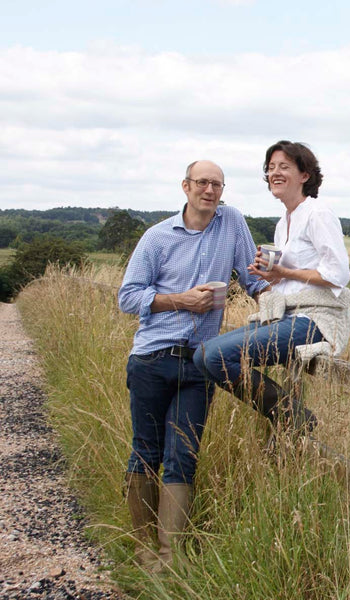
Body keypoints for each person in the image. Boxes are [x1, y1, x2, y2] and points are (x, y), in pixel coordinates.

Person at [118, 160, 269, 571]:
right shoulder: (157, 237)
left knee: (183, 456)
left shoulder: (232, 222)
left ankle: (171, 559)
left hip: (200, 363)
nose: (210, 190)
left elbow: (253, 279)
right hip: (152, 358)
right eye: (202, 182)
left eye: (217, 184)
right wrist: (180, 300)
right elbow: (128, 296)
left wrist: (278, 302)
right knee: (146, 452)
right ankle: (143, 550)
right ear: (185, 186)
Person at [193, 140, 350, 436]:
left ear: (305, 175)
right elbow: (293, 280)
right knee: (203, 354)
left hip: (315, 319)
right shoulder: (284, 221)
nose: (274, 173)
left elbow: (338, 275)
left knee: (216, 356)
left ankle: (292, 417)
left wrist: (285, 271)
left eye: (284, 167)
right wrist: (271, 276)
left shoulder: (318, 214)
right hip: (288, 315)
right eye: (271, 168)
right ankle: (289, 415)